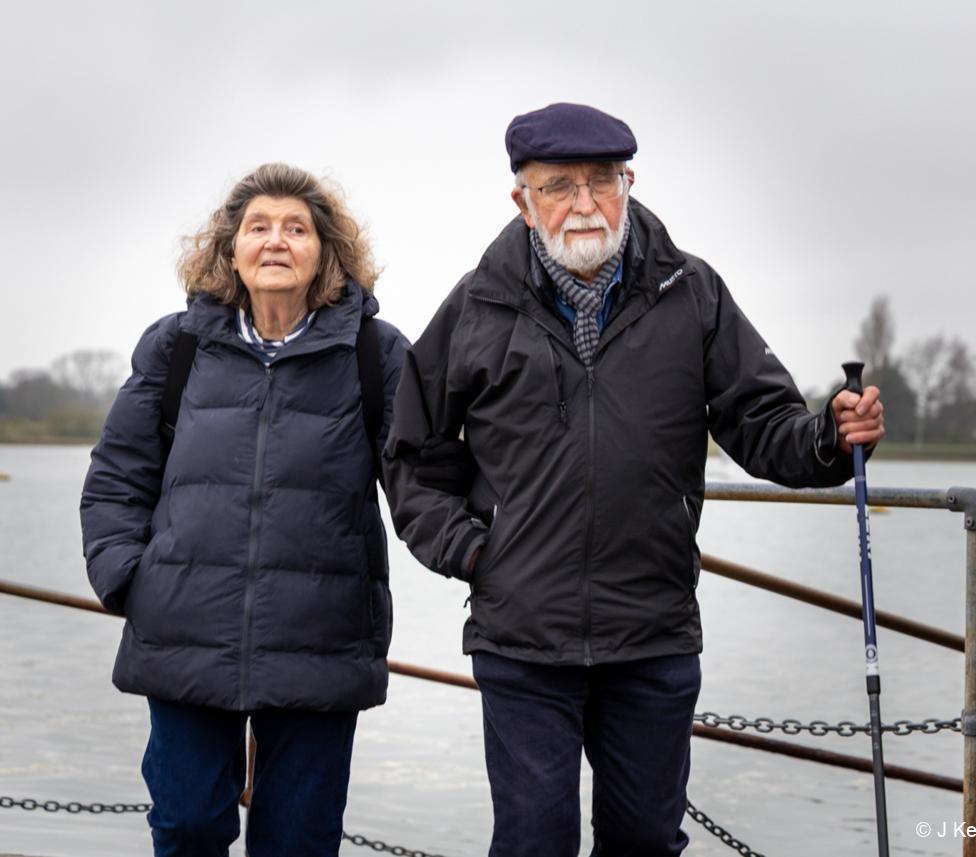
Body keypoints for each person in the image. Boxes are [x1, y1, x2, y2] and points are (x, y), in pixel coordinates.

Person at [383, 103, 885, 856]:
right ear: (522, 201)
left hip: (652, 629)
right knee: (533, 841)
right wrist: (475, 550)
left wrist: (828, 437)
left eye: (602, 181)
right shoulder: (479, 303)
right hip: (523, 635)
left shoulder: (691, 291)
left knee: (645, 840)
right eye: (559, 186)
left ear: (629, 184)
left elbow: (760, 421)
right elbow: (412, 451)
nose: (584, 203)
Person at [80, 162, 408, 857]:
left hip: (321, 638)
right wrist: (128, 578)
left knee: (299, 841)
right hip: (185, 630)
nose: (276, 241)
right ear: (230, 248)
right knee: (188, 824)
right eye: (258, 227)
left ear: (326, 251)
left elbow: (422, 477)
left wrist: (481, 550)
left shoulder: (374, 353)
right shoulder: (176, 346)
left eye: (296, 228)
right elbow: (117, 475)